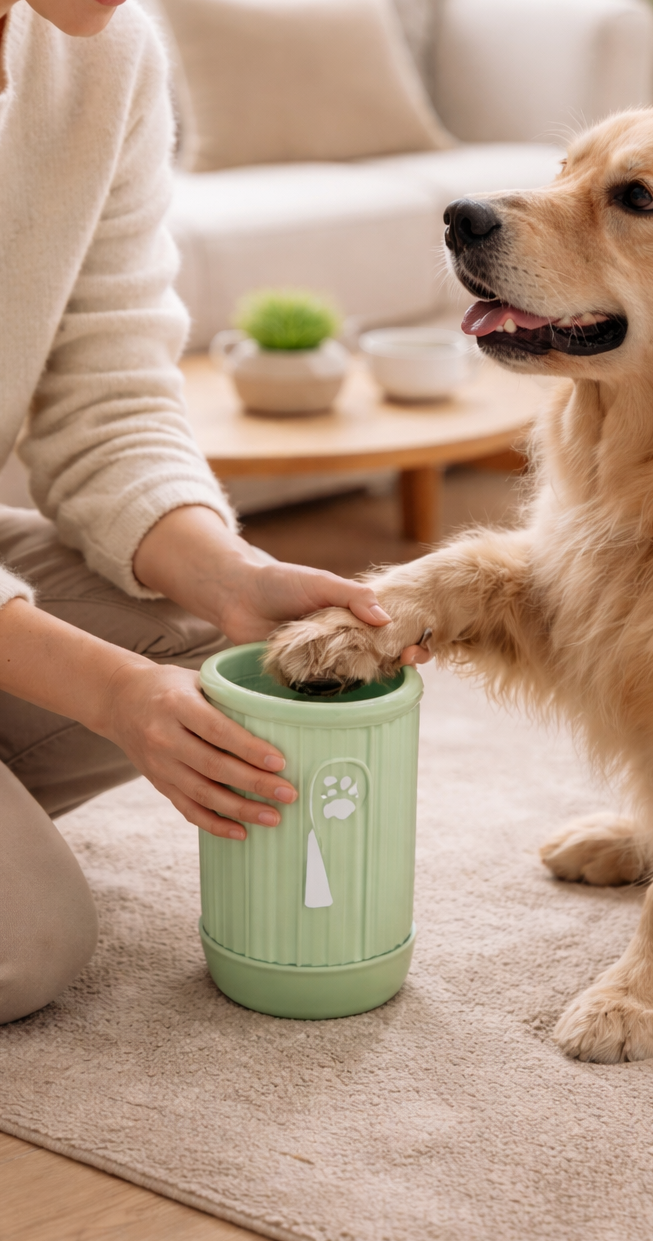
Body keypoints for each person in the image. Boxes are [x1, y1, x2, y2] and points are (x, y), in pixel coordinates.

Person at [0, 0, 422, 1024]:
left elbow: (104, 387)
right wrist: (110, 694)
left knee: (220, 652)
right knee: (26, 943)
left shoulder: (101, 54)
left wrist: (230, 573)